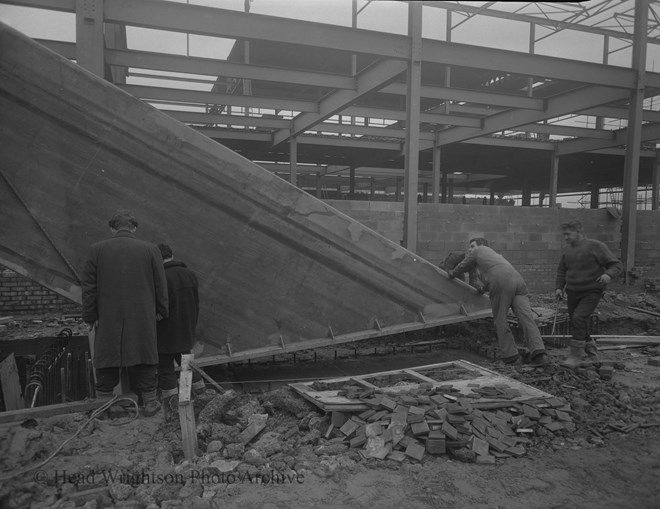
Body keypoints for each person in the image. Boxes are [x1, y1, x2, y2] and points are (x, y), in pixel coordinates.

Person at [81, 210, 168, 417]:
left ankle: (103, 405)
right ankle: (149, 403)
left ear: (111, 228)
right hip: (142, 315)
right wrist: (161, 310)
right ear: (134, 228)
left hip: (109, 316)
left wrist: (90, 317)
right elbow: (160, 285)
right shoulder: (151, 250)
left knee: (108, 356)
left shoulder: (96, 250)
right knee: (145, 356)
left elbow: (89, 287)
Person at [448, 237, 548, 366]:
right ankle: (540, 354)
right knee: (526, 318)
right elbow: (492, 280)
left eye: (472, 246)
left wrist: (452, 273)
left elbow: (463, 266)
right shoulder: (494, 258)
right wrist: (483, 289)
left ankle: (512, 356)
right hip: (518, 281)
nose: (469, 249)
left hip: (502, 281)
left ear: (482, 245)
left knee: (500, 319)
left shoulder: (479, 251)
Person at [555, 220, 622, 367]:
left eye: (568, 234)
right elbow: (562, 270)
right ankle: (591, 350)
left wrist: (608, 275)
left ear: (578, 232)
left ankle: (575, 356)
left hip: (591, 291)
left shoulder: (596, 246)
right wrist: (559, 288)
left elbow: (616, 264)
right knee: (577, 321)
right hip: (573, 292)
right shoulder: (567, 251)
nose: (565, 238)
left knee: (579, 318)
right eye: (564, 235)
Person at [156, 243, 204, 421]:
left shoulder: (161, 278)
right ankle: (202, 398)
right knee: (187, 365)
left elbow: (162, 308)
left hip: (166, 332)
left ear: (156, 259)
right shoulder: (190, 275)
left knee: (165, 368)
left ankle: (173, 409)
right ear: (172, 255)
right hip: (186, 329)